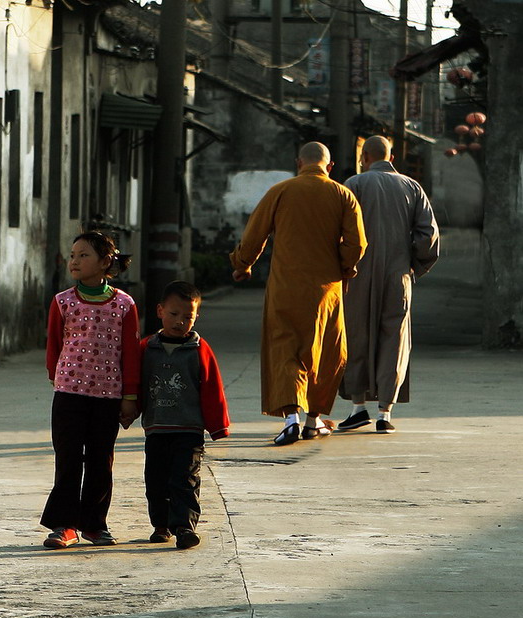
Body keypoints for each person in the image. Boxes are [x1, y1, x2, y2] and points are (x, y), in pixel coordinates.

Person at [230, 141, 368, 445]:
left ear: (298, 163)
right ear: (329, 167)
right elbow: (357, 244)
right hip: (326, 290)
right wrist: (346, 267)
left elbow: (254, 234)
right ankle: (313, 419)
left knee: (285, 349)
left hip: (285, 287)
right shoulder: (343, 194)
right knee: (325, 351)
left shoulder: (281, 191)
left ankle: (291, 418)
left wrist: (243, 264)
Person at [40, 232, 141, 549]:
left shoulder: (124, 305)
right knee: (68, 459)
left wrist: (130, 397)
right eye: (72, 255)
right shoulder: (63, 302)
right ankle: (64, 526)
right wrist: (59, 378)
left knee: (100, 461)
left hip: (108, 398)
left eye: (83, 255)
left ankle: (95, 525)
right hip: (69, 395)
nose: (74, 261)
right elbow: (54, 346)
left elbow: (130, 353)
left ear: (105, 262)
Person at [337, 135, 439, 434]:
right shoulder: (412, 187)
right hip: (398, 274)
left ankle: (358, 407)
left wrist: (342, 265)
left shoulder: (352, 185)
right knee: (394, 339)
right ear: (391, 158)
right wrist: (413, 266)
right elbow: (428, 236)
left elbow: (338, 232)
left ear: (364, 157)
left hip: (356, 275)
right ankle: (385, 412)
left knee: (356, 334)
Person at [140, 281, 230, 550]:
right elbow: (135, 383)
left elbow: (212, 388)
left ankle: (184, 527)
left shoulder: (200, 350)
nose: (180, 322)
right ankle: (160, 525)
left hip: (189, 429)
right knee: (155, 480)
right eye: (174, 314)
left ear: (196, 316)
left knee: (185, 479)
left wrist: (217, 426)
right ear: (160, 311)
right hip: (156, 428)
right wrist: (127, 408)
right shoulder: (146, 348)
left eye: (187, 316)